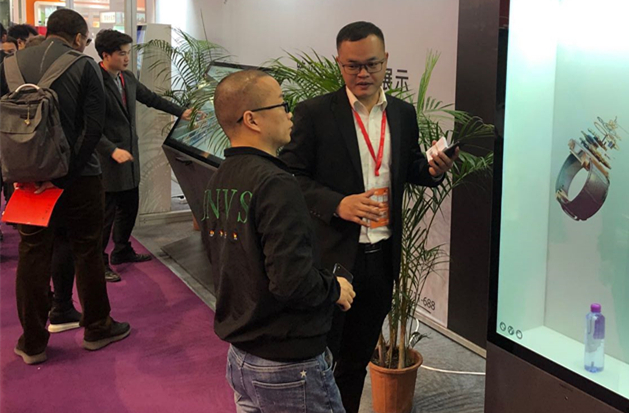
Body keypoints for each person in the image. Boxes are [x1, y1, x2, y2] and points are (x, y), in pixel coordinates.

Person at [279, 21, 458, 412]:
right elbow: (289, 176)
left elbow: (409, 168)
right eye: (353, 65)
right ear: (338, 63)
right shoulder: (315, 113)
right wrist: (337, 203)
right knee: (320, 360)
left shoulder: (403, 113)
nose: (363, 74)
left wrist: (433, 169)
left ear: (386, 61)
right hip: (332, 260)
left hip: (381, 259)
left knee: (356, 361)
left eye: (372, 64)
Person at [203, 69, 355, 413]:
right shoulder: (275, 183)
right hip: (288, 365)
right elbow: (292, 282)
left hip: (241, 358)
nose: (290, 115)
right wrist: (335, 288)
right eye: (283, 105)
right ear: (252, 119)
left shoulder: (219, 178)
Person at [0, 9, 130, 365]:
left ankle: (32, 342)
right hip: (80, 178)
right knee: (87, 249)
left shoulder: (9, 65)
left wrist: (22, 173)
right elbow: (93, 126)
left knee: (32, 252)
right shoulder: (84, 66)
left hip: (26, 180)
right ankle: (97, 328)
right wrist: (64, 174)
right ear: (77, 38)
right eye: (85, 40)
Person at [94, 29, 191, 281]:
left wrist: (181, 112)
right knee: (105, 215)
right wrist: (111, 150)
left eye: (128, 53)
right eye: (121, 53)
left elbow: (151, 99)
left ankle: (122, 250)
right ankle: (98, 262)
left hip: (129, 157)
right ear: (105, 55)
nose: (127, 58)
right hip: (108, 159)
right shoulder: (95, 81)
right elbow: (90, 127)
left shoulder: (126, 78)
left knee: (129, 207)